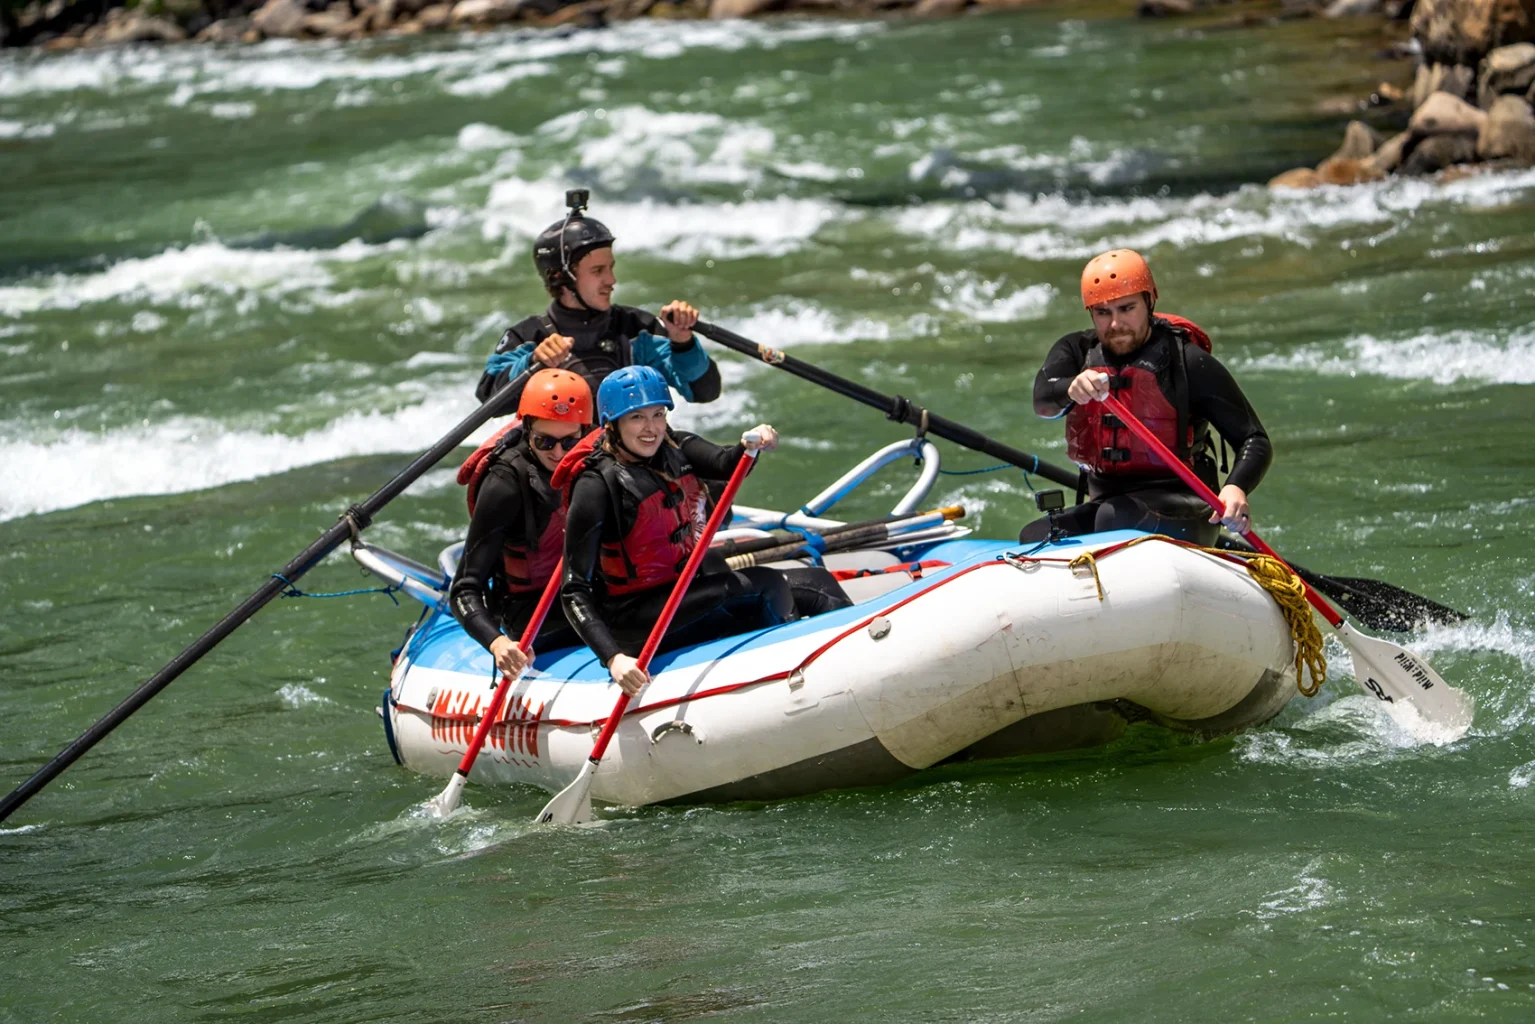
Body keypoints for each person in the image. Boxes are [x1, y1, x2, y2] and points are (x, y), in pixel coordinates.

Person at [554, 366, 849, 697]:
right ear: (613, 425)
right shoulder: (596, 485)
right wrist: (613, 658)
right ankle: (797, 683)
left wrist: (751, 445)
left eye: (658, 414)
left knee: (819, 583)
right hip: (636, 618)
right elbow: (574, 589)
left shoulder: (675, 446)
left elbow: (727, 462)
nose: (650, 428)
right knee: (767, 586)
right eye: (636, 418)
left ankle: (852, 670)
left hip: (683, 591)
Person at [1021, 249, 1272, 546]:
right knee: (1035, 535)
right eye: (1103, 312)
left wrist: (1236, 487)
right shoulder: (1077, 352)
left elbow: (1254, 439)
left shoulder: (1187, 362)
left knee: (1113, 519)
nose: (1115, 325)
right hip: (1108, 502)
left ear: (1149, 302)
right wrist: (1071, 388)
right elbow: (1044, 401)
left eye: (1126, 309)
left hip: (1185, 504)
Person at [474, 190, 722, 415]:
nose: (611, 280)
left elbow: (704, 391)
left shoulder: (638, 329)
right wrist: (531, 364)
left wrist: (683, 344)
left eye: (611, 268)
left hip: (626, 457)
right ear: (561, 277)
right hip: (561, 456)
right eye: (598, 270)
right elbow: (488, 398)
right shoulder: (527, 337)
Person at [449, 368, 594, 679]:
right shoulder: (506, 482)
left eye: (569, 442)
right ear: (527, 429)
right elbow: (463, 590)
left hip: (591, 595)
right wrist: (499, 644)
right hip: (536, 616)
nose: (557, 453)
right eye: (544, 441)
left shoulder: (599, 458)